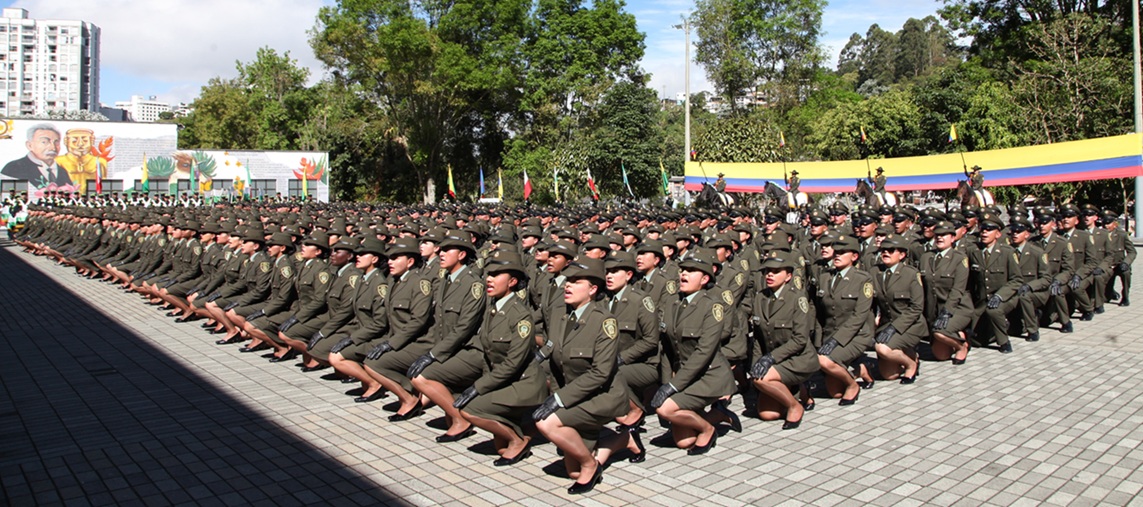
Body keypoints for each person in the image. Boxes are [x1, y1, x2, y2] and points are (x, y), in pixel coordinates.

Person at [532, 258, 628, 494]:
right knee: (570, 471)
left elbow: (600, 373)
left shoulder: (604, 321)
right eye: (568, 281)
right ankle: (623, 440)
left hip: (601, 395)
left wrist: (559, 400)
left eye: (576, 282)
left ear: (593, 289)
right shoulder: (559, 314)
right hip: (574, 394)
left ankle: (591, 465)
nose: (568, 285)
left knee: (546, 422)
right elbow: (554, 358)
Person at [454, 250, 548, 466]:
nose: (489, 278)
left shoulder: (521, 316)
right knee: (497, 441)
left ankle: (518, 440)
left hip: (524, 383)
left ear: (512, 281)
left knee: (470, 410)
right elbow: (490, 356)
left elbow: (513, 363)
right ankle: (512, 428)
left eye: (496, 275)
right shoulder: (492, 308)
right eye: (489, 274)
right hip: (502, 379)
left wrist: (479, 387)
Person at [652, 248, 737, 455]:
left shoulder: (712, 306)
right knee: (683, 441)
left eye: (691, 271)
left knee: (665, 408)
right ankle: (716, 415)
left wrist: (673, 386)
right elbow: (667, 349)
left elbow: (704, 353)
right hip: (685, 375)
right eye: (683, 270)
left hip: (709, 376)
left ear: (705, 278)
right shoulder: (672, 302)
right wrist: (666, 382)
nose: (684, 274)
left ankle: (709, 428)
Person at [743, 253, 817, 429]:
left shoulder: (797, 299)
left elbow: (800, 340)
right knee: (767, 414)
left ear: (788, 276)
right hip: (774, 360)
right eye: (768, 271)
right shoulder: (760, 298)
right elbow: (759, 339)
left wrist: (770, 359)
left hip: (798, 359)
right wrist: (756, 364)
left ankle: (795, 406)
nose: (769, 275)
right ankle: (794, 390)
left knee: (762, 380)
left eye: (776, 271)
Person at [813, 235, 874, 405]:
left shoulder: (863, 279)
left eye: (842, 252)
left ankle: (852, 385)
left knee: (825, 360)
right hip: (830, 334)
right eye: (836, 252)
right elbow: (819, 312)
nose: (837, 255)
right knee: (834, 393)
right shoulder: (824, 277)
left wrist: (836, 341)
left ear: (854, 256)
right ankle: (859, 369)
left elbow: (859, 316)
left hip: (856, 335)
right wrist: (819, 341)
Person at [871, 234, 925, 383]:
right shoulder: (875, 272)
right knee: (889, 375)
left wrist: (895, 328)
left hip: (910, 324)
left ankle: (911, 365)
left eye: (891, 250)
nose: (885, 253)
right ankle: (908, 353)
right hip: (886, 324)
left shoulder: (911, 274)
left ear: (902, 255)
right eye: (883, 250)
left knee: (883, 348)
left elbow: (916, 307)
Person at [922, 221, 975, 364]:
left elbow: (958, 290)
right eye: (937, 235)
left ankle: (961, 345)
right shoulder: (926, 257)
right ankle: (955, 335)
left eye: (944, 235)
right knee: (941, 356)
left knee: (940, 331)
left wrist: (947, 311)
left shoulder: (959, 258)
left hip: (957, 308)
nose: (939, 238)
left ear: (952, 238)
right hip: (934, 310)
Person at [1, 123, 71, 188]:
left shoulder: (62, 170)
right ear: (29, 145)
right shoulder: (13, 168)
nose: (53, 147)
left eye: (56, 142)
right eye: (44, 142)